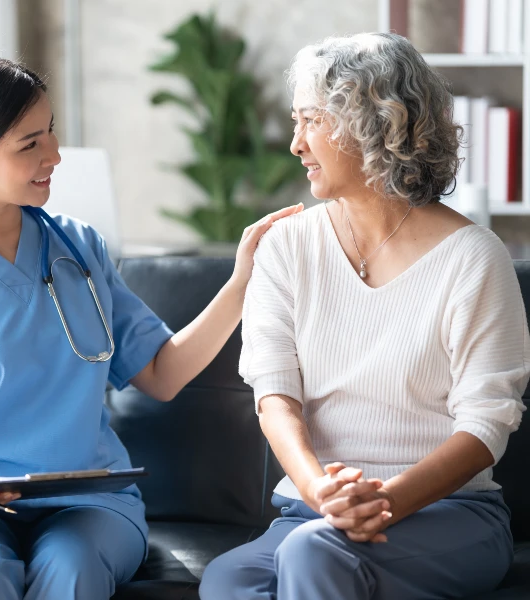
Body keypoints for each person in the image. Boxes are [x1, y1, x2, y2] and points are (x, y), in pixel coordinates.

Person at [0, 52, 301, 600]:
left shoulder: (78, 249)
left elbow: (161, 374)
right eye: (30, 144)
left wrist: (241, 284)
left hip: (85, 501)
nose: (55, 155)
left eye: (50, 133)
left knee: (72, 567)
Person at [199, 32, 530, 599]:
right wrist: (320, 491)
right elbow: (274, 396)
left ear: (375, 123)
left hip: (450, 514)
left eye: (311, 121)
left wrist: (385, 500)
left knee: (315, 553)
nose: (296, 144)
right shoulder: (287, 248)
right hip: (310, 513)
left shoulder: (474, 257)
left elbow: (485, 426)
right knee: (228, 580)